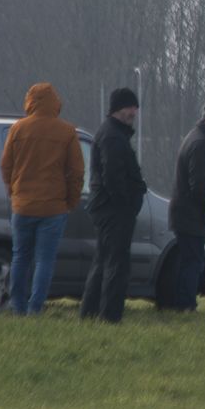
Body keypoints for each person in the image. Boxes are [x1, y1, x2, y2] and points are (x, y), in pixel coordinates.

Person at [0, 82, 86, 316]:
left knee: (20, 257)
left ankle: (17, 307)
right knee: (44, 261)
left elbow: (6, 165)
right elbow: (77, 172)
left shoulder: (17, 129)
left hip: (22, 205)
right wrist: (71, 201)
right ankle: (35, 308)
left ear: (30, 101)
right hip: (53, 207)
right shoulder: (67, 132)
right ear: (54, 102)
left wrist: (13, 191)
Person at [81, 87, 148, 322]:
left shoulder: (112, 134)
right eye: (131, 107)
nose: (135, 112)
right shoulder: (112, 136)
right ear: (120, 109)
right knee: (115, 265)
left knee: (103, 262)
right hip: (114, 211)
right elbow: (113, 177)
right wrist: (128, 204)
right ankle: (109, 315)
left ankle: (90, 313)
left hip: (108, 209)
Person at [166, 98, 205, 313]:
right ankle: (185, 305)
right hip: (189, 216)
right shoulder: (201, 144)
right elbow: (200, 185)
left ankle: (184, 302)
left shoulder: (198, 138)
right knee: (193, 263)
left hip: (187, 215)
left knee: (193, 261)